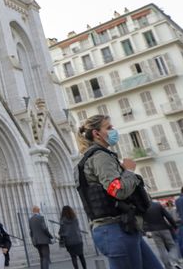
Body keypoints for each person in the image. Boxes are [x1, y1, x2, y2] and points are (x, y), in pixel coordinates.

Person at [75, 114, 162, 269]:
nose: (114, 130)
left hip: (122, 228)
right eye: (109, 128)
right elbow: (118, 190)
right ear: (96, 133)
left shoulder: (93, 157)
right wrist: (129, 171)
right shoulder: (101, 157)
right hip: (116, 230)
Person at [143, 200, 181, 269]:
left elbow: (143, 221)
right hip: (164, 228)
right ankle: (173, 260)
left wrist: (146, 230)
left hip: (153, 230)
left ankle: (168, 266)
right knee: (172, 246)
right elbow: (168, 216)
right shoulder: (157, 205)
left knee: (161, 249)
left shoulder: (143, 207)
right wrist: (174, 226)